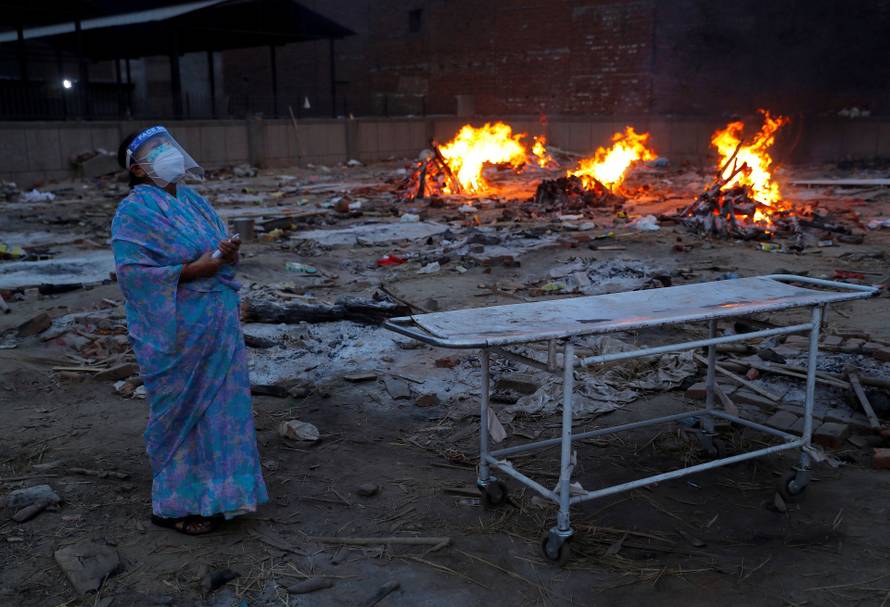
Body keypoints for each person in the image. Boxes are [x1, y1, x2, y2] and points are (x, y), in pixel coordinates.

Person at [111, 126, 268, 535]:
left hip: (218, 328)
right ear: (139, 169)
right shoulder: (134, 211)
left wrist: (226, 253)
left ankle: (223, 498)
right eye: (154, 150)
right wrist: (195, 270)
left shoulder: (194, 201)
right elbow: (134, 276)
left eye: (167, 145)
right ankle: (176, 505)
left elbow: (216, 249)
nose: (168, 153)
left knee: (223, 414)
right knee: (187, 418)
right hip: (179, 333)